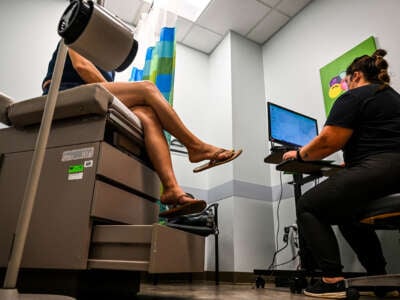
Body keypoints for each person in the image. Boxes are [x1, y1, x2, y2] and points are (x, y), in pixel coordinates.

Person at [42, 43, 242, 218]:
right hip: (63, 91)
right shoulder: (79, 35)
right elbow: (82, 67)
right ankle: (196, 147)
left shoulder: (108, 62)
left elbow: (104, 86)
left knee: (148, 114)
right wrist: (124, 99)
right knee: (147, 88)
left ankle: (172, 188)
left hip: (92, 95)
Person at [282, 49, 400, 298]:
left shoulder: (355, 96)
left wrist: (300, 154)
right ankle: (380, 279)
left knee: (308, 205)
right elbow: (383, 141)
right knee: (348, 214)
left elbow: (326, 142)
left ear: (355, 76)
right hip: (389, 173)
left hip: (377, 170)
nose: (346, 86)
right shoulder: (392, 97)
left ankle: (332, 279)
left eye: (346, 81)